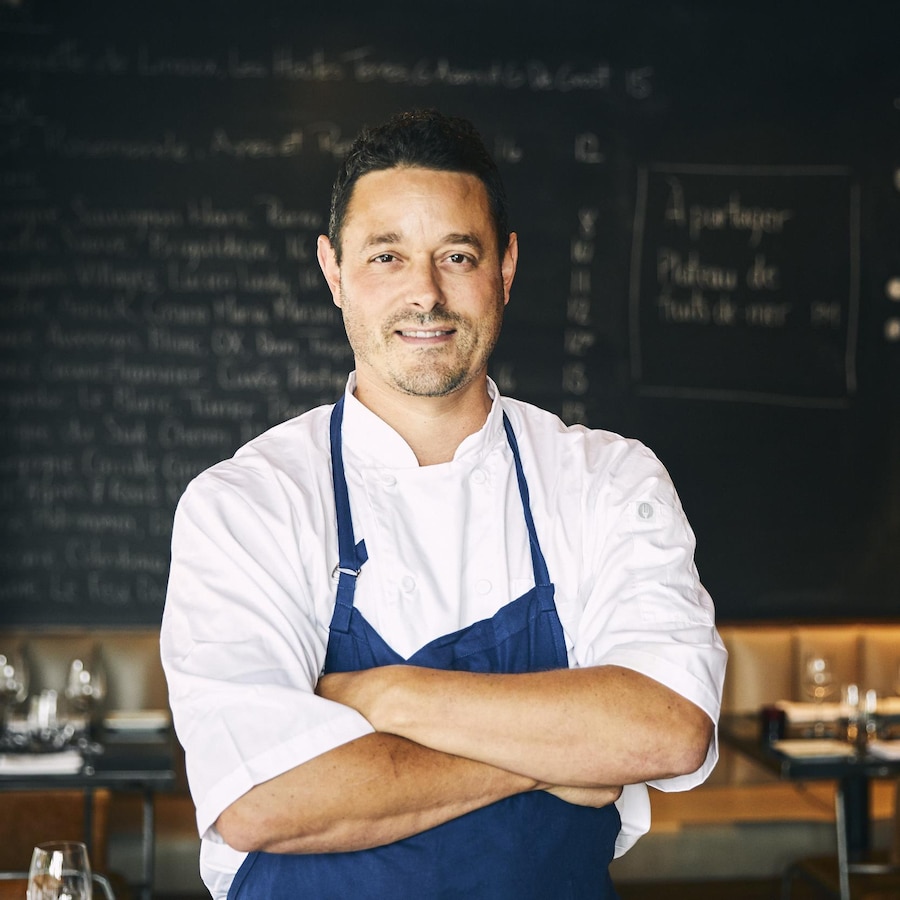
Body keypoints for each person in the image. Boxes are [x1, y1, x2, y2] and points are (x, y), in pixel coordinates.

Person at [160, 108, 727, 899]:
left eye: (457, 255)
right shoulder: (247, 503)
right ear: (333, 270)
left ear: (506, 265)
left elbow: (664, 727)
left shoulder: (605, 481)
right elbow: (262, 799)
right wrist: (558, 755)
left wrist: (385, 697)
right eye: (386, 256)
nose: (424, 294)